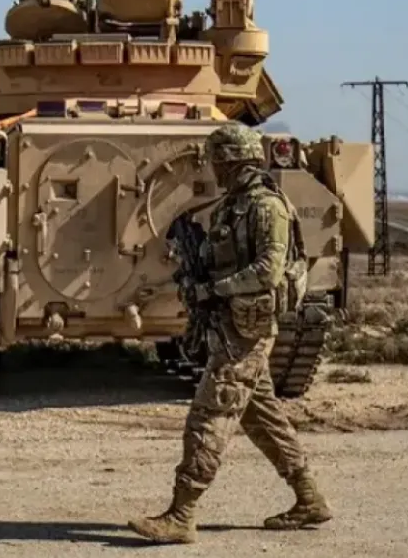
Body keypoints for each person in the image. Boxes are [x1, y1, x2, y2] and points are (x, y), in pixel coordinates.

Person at [128, 122, 331, 544]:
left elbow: (267, 272)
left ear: (231, 160)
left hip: (248, 327)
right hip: (232, 322)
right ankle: (309, 498)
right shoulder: (232, 205)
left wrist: (211, 289)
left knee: (212, 411)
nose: (214, 170)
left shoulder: (264, 207)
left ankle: (182, 514)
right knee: (262, 417)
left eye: (218, 161)